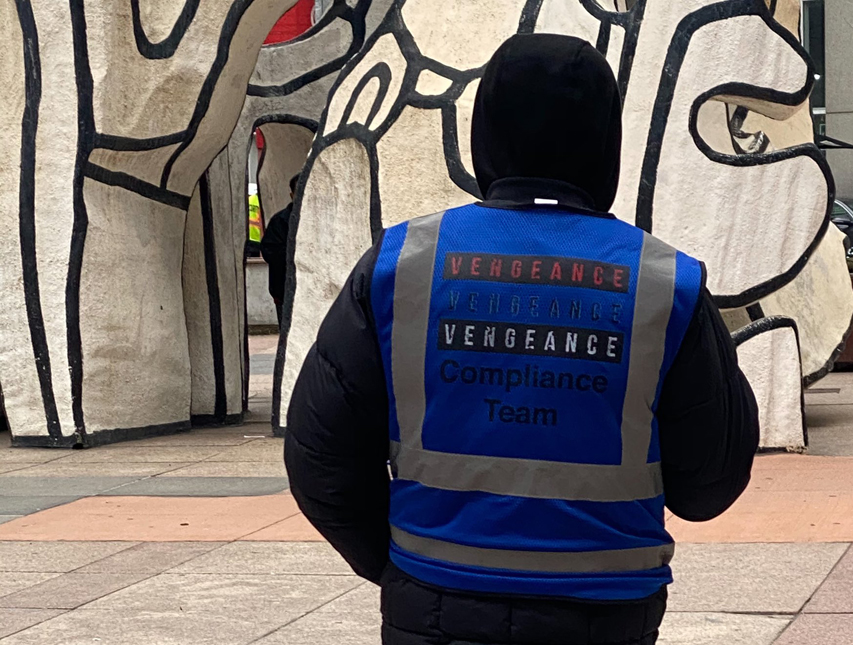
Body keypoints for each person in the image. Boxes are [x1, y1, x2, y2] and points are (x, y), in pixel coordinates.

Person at [284, 34, 759, 645]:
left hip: (436, 600)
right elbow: (711, 481)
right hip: (606, 610)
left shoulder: (401, 265)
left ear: (484, 133)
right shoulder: (665, 282)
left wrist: (403, 567)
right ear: (606, 141)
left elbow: (320, 455)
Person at [260, 174, 299, 325]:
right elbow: (269, 252)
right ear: (292, 195)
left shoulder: (324, 219)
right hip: (285, 293)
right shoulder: (280, 221)